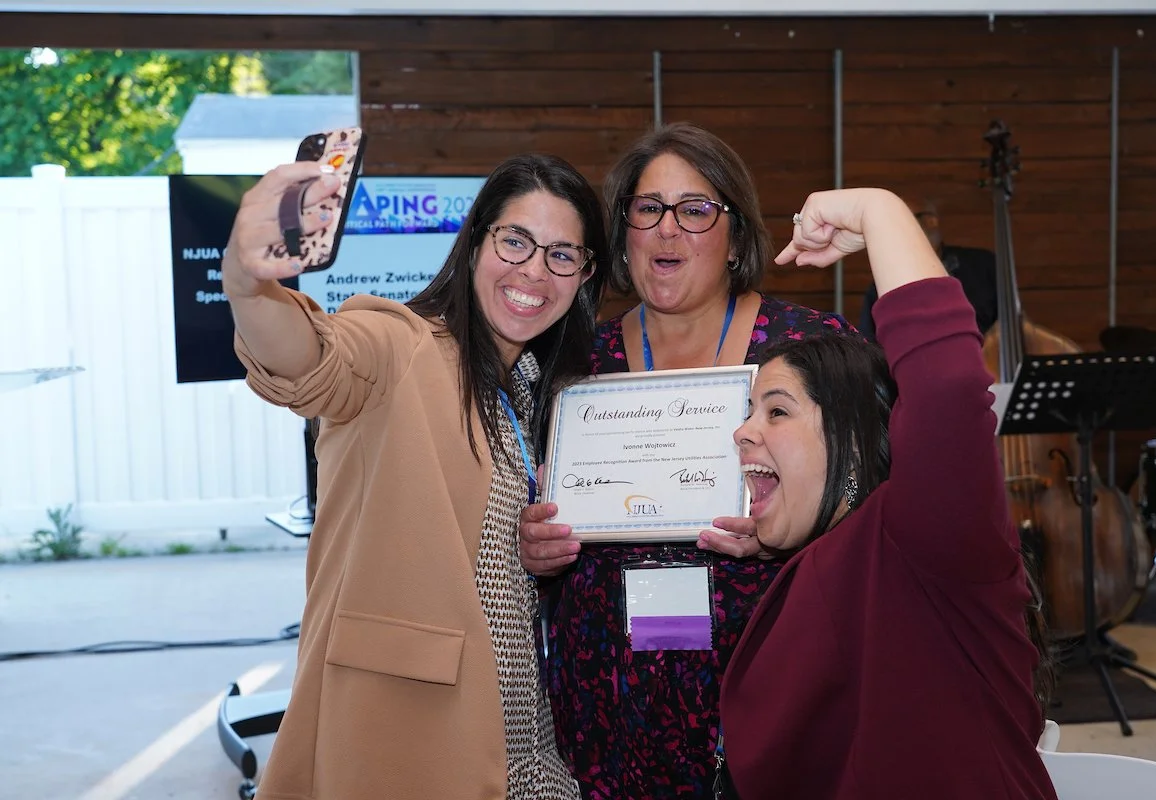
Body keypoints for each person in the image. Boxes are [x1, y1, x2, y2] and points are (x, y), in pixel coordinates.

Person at [223, 153, 610, 799]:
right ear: (476, 241)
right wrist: (247, 283)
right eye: (516, 241)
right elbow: (308, 358)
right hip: (414, 734)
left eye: (562, 255)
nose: (535, 271)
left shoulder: (532, 385)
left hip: (522, 734)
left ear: (585, 274)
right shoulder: (400, 346)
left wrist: (528, 553)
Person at [519, 122, 854, 797]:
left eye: (696, 210)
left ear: (736, 236)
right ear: (624, 233)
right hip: (606, 700)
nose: (667, 230)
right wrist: (533, 547)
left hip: (768, 683)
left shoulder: (811, 348)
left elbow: (871, 501)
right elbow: (527, 501)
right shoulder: (574, 363)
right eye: (648, 209)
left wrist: (789, 531)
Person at [719, 187, 1056, 799]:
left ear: (851, 440)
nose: (743, 432)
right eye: (749, 411)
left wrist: (878, 211)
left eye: (777, 410)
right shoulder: (829, 559)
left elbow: (947, 386)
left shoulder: (922, 536)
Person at [857, 196, 998, 342]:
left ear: (930, 221)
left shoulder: (983, 264)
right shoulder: (881, 286)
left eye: (900, 222)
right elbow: (868, 343)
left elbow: (1008, 323)